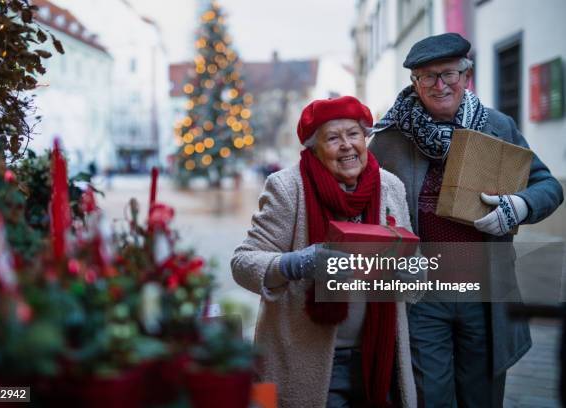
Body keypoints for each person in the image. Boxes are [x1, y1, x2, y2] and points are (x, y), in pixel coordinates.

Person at [370, 32, 564, 407]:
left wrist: (518, 206)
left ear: (466, 76)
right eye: (428, 76)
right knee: (430, 396)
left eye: (449, 74)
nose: (440, 85)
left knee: (481, 395)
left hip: (484, 293)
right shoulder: (390, 140)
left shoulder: (496, 126)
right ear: (415, 83)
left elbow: (548, 187)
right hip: (421, 295)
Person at [231, 96, 419, 408]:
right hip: (310, 358)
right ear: (313, 148)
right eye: (333, 138)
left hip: (379, 353)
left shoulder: (391, 187)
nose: (346, 145)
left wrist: (411, 272)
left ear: (365, 139)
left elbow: (417, 263)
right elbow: (242, 262)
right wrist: (297, 263)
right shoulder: (287, 187)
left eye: (354, 134)